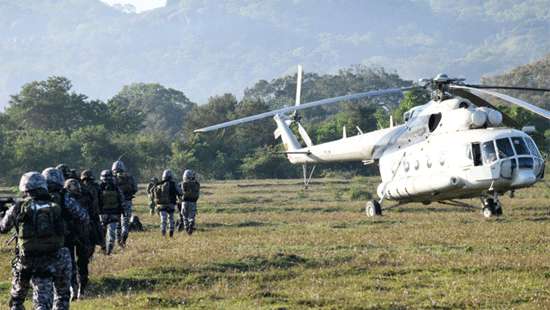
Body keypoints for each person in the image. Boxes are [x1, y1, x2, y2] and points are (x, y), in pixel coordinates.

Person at [0, 172, 70, 310]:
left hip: (26, 260)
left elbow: (3, 228)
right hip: (53, 259)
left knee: (17, 300)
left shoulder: (18, 207)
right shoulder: (55, 205)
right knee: (52, 299)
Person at [42, 167, 89, 308]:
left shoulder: (33, 197)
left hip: (40, 245)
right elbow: (82, 215)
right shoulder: (64, 196)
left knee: (42, 280)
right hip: (63, 241)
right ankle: (73, 290)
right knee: (66, 274)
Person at [64, 178, 93, 300]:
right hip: (74, 235)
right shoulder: (65, 199)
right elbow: (86, 217)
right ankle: (77, 289)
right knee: (77, 263)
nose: (76, 188)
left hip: (75, 235)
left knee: (79, 263)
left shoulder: (64, 199)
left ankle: (78, 289)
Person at [111, 160, 137, 247]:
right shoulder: (129, 177)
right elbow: (135, 189)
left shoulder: (111, 178)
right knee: (125, 222)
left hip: (116, 203)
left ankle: (119, 242)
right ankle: (124, 236)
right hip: (127, 202)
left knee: (118, 223)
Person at [98, 170, 124, 255]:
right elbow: (122, 199)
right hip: (107, 213)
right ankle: (106, 250)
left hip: (109, 213)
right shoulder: (100, 188)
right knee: (107, 233)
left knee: (106, 233)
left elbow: (121, 199)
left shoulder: (100, 188)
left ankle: (107, 250)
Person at [80, 170, 104, 258]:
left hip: (83, 216)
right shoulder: (96, 187)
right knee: (94, 236)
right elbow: (101, 201)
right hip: (93, 215)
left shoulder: (80, 187)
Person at [154, 170, 180, 237]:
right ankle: (171, 231)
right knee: (171, 218)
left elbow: (152, 194)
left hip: (161, 205)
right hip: (171, 204)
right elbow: (180, 192)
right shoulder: (173, 184)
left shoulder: (159, 184)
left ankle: (163, 233)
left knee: (163, 219)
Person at [181, 169, 200, 235]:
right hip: (193, 202)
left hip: (185, 202)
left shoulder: (184, 183)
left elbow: (182, 192)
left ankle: (186, 227)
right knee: (192, 216)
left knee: (184, 216)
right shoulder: (196, 184)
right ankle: (191, 222)